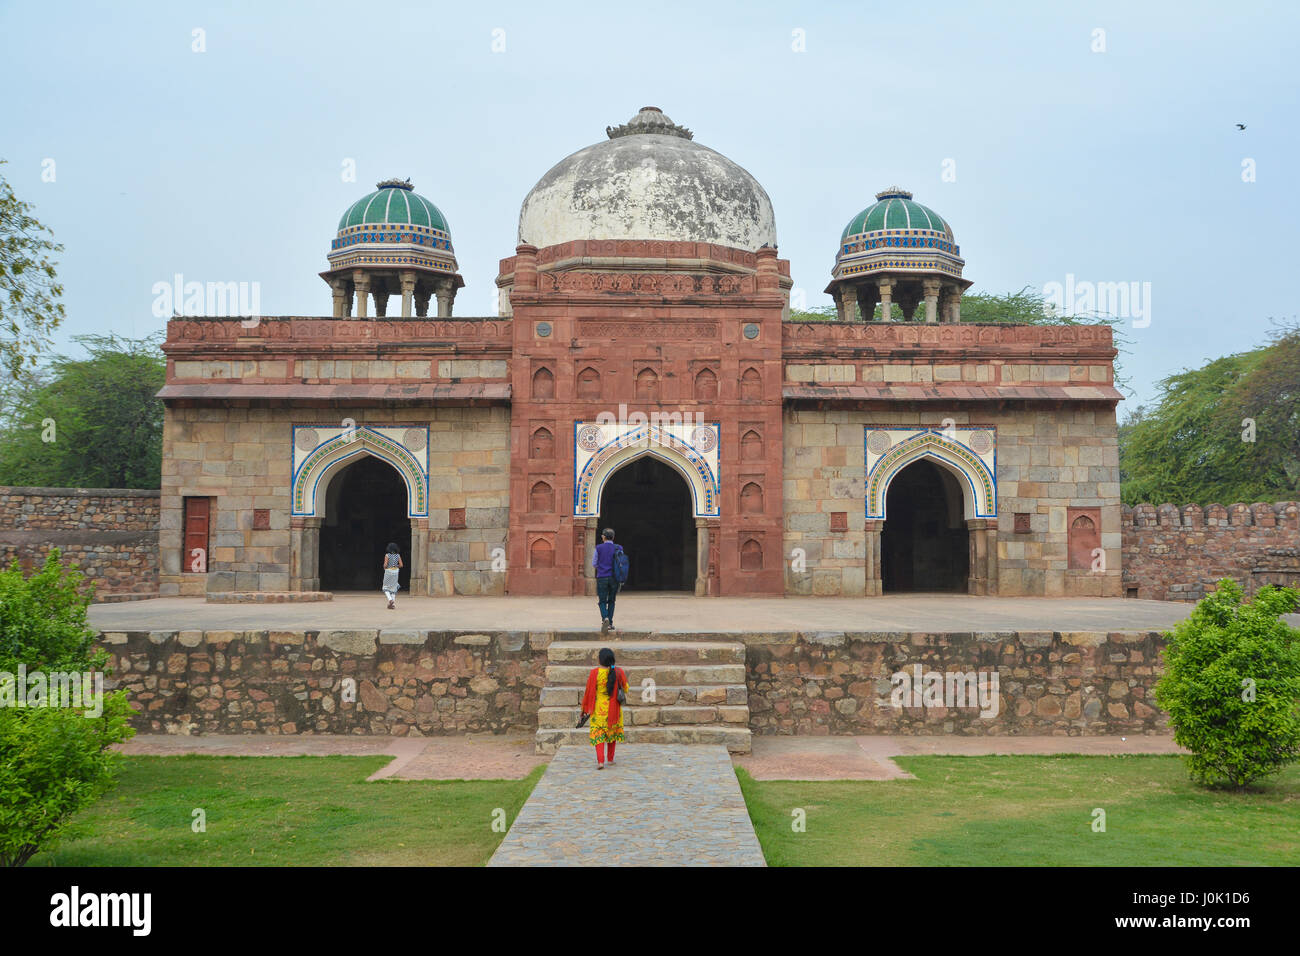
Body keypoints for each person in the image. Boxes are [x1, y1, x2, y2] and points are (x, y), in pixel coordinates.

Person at [580, 647, 627, 769]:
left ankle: (601, 762)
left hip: (599, 710)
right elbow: (626, 688)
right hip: (614, 710)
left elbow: (589, 692)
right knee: (612, 733)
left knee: (598, 734)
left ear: (600, 660)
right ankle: (610, 759)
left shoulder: (594, 673)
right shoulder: (619, 672)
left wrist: (584, 709)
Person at [591, 527, 621, 633]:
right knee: (612, 601)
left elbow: (594, 563)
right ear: (613, 537)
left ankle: (605, 618)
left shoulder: (598, 548)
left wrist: (601, 567)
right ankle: (610, 623)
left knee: (602, 600)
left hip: (602, 577)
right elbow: (621, 563)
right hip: (614, 578)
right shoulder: (618, 548)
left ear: (603, 537)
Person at [381, 542, 403, 610]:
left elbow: (385, 565)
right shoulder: (398, 555)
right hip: (396, 571)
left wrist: (385, 568)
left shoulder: (387, 555)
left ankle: (390, 599)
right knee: (393, 587)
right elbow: (401, 565)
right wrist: (396, 566)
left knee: (385, 587)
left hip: (389, 571)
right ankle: (392, 604)